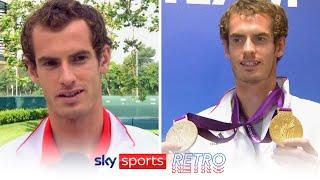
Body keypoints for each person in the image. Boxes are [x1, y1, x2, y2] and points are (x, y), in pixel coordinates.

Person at [163, 0, 320, 173]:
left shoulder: (316, 120)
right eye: (237, 39)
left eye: (260, 38)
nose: (248, 49)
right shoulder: (195, 135)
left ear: (279, 47)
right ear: (226, 48)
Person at [0, 0, 158, 169]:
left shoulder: (156, 156)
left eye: (79, 58)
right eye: (51, 63)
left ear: (103, 59)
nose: (67, 78)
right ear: (32, 70)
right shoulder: (6, 165)